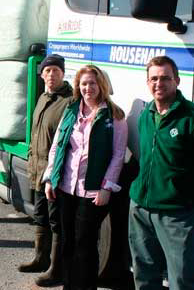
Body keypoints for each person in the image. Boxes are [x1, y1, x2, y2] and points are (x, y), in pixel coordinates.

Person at [42, 65, 128, 290]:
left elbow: (118, 155)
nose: (88, 88)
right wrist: (51, 177)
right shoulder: (71, 111)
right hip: (65, 187)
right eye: (83, 83)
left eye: (92, 83)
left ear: (101, 85)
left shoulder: (115, 115)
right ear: (78, 87)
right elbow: (57, 146)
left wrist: (107, 187)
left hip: (92, 191)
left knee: (85, 246)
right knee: (67, 243)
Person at [128, 56, 194, 290]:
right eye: (153, 78)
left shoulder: (189, 117)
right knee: (144, 274)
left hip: (176, 213)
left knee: (182, 280)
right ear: (147, 83)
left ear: (177, 80)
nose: (159, 83)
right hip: (140, 208)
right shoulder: (146, 114)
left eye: (165, 78)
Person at [19, 54, 73, 287]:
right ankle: (40, 259)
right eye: (48, 71)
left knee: (56, 221)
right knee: (40, 216)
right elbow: (36, 132)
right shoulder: (43, 97)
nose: (51, 75)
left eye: (56, 71)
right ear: (41, 75)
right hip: (38, 170)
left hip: (55, 174)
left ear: (63, 74)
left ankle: (57, 269)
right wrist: (31, 158)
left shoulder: (70, 101)